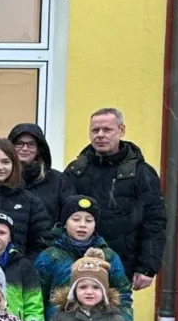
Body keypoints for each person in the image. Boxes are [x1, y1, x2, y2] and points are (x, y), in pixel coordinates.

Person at [63, 108, 166, 291]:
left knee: (115, 318)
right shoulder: (75, 171)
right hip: (77, 264)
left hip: (121, 266)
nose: (100, 135)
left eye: (107, 130)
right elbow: (61, 218)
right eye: (95, 130)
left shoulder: (142, 173)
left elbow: (154, 223)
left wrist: (147, 267)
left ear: (122, 130)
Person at [9, 123, 71, 223]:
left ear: (39, 149)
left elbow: (70, 215)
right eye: (19, 144)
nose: (25, 148)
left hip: (47, 237)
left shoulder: (59, 181)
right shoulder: (1, 179)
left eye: (31, 144)